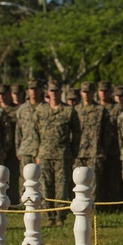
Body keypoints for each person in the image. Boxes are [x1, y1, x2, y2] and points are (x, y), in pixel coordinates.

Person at [34, 79, 81, 226]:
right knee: (46, 186)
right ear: (48, 92)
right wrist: (37, 152)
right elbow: (35, 132)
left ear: (61, 92)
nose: (54, 93)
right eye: (51, 91)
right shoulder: (41, 111)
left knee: (61, 187)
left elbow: (77, 133)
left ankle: (61, 216)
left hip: (62, 154)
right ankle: (50, 216)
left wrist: (74, 153)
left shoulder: (69, 111)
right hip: (45, 154)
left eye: (56, 91)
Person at [74, 81, 111, 201]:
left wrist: (104, 150)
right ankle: (79, 207)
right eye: (84, 92)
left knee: (93, 185)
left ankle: (92, 209)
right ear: (80, 93)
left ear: (93, 93)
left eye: (88, 92)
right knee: (78, 183)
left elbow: (106, 132)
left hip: (95, 152)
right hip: (78, 152)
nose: (86, 94)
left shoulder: (100, 110)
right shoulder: (75, 110)